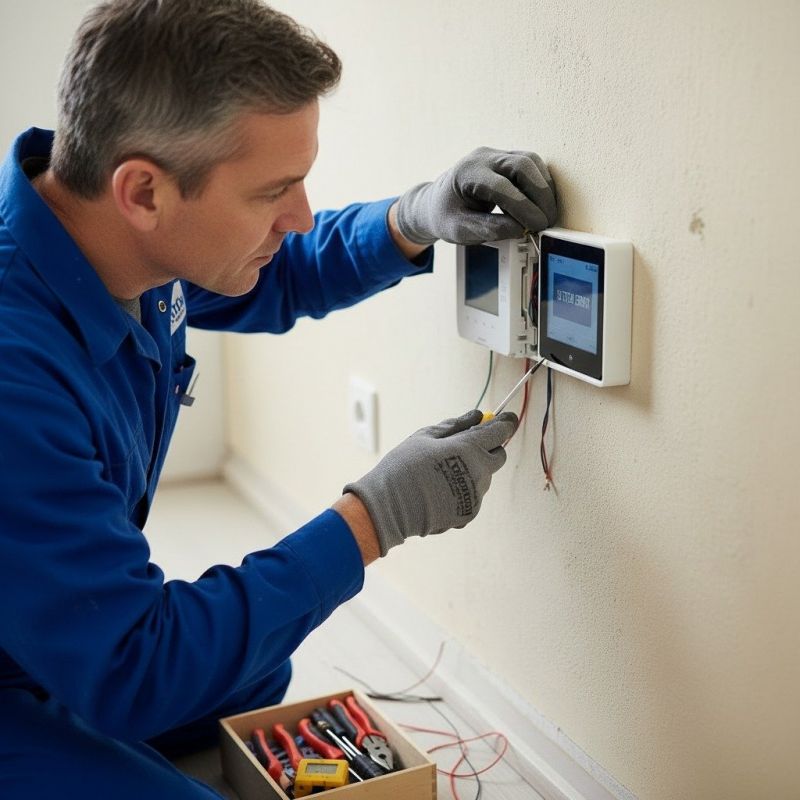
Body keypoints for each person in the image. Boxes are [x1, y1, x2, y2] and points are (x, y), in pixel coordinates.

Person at [0, 0, 557, 797]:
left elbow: (278, 273)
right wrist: (373, 518)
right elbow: (136, 666)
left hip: (37, 626)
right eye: (274, 192)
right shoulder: (13, 372)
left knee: (254, 669)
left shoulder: (109, 237)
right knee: (181, 670)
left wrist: (415, 215)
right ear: (145, 193)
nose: (297, 216)